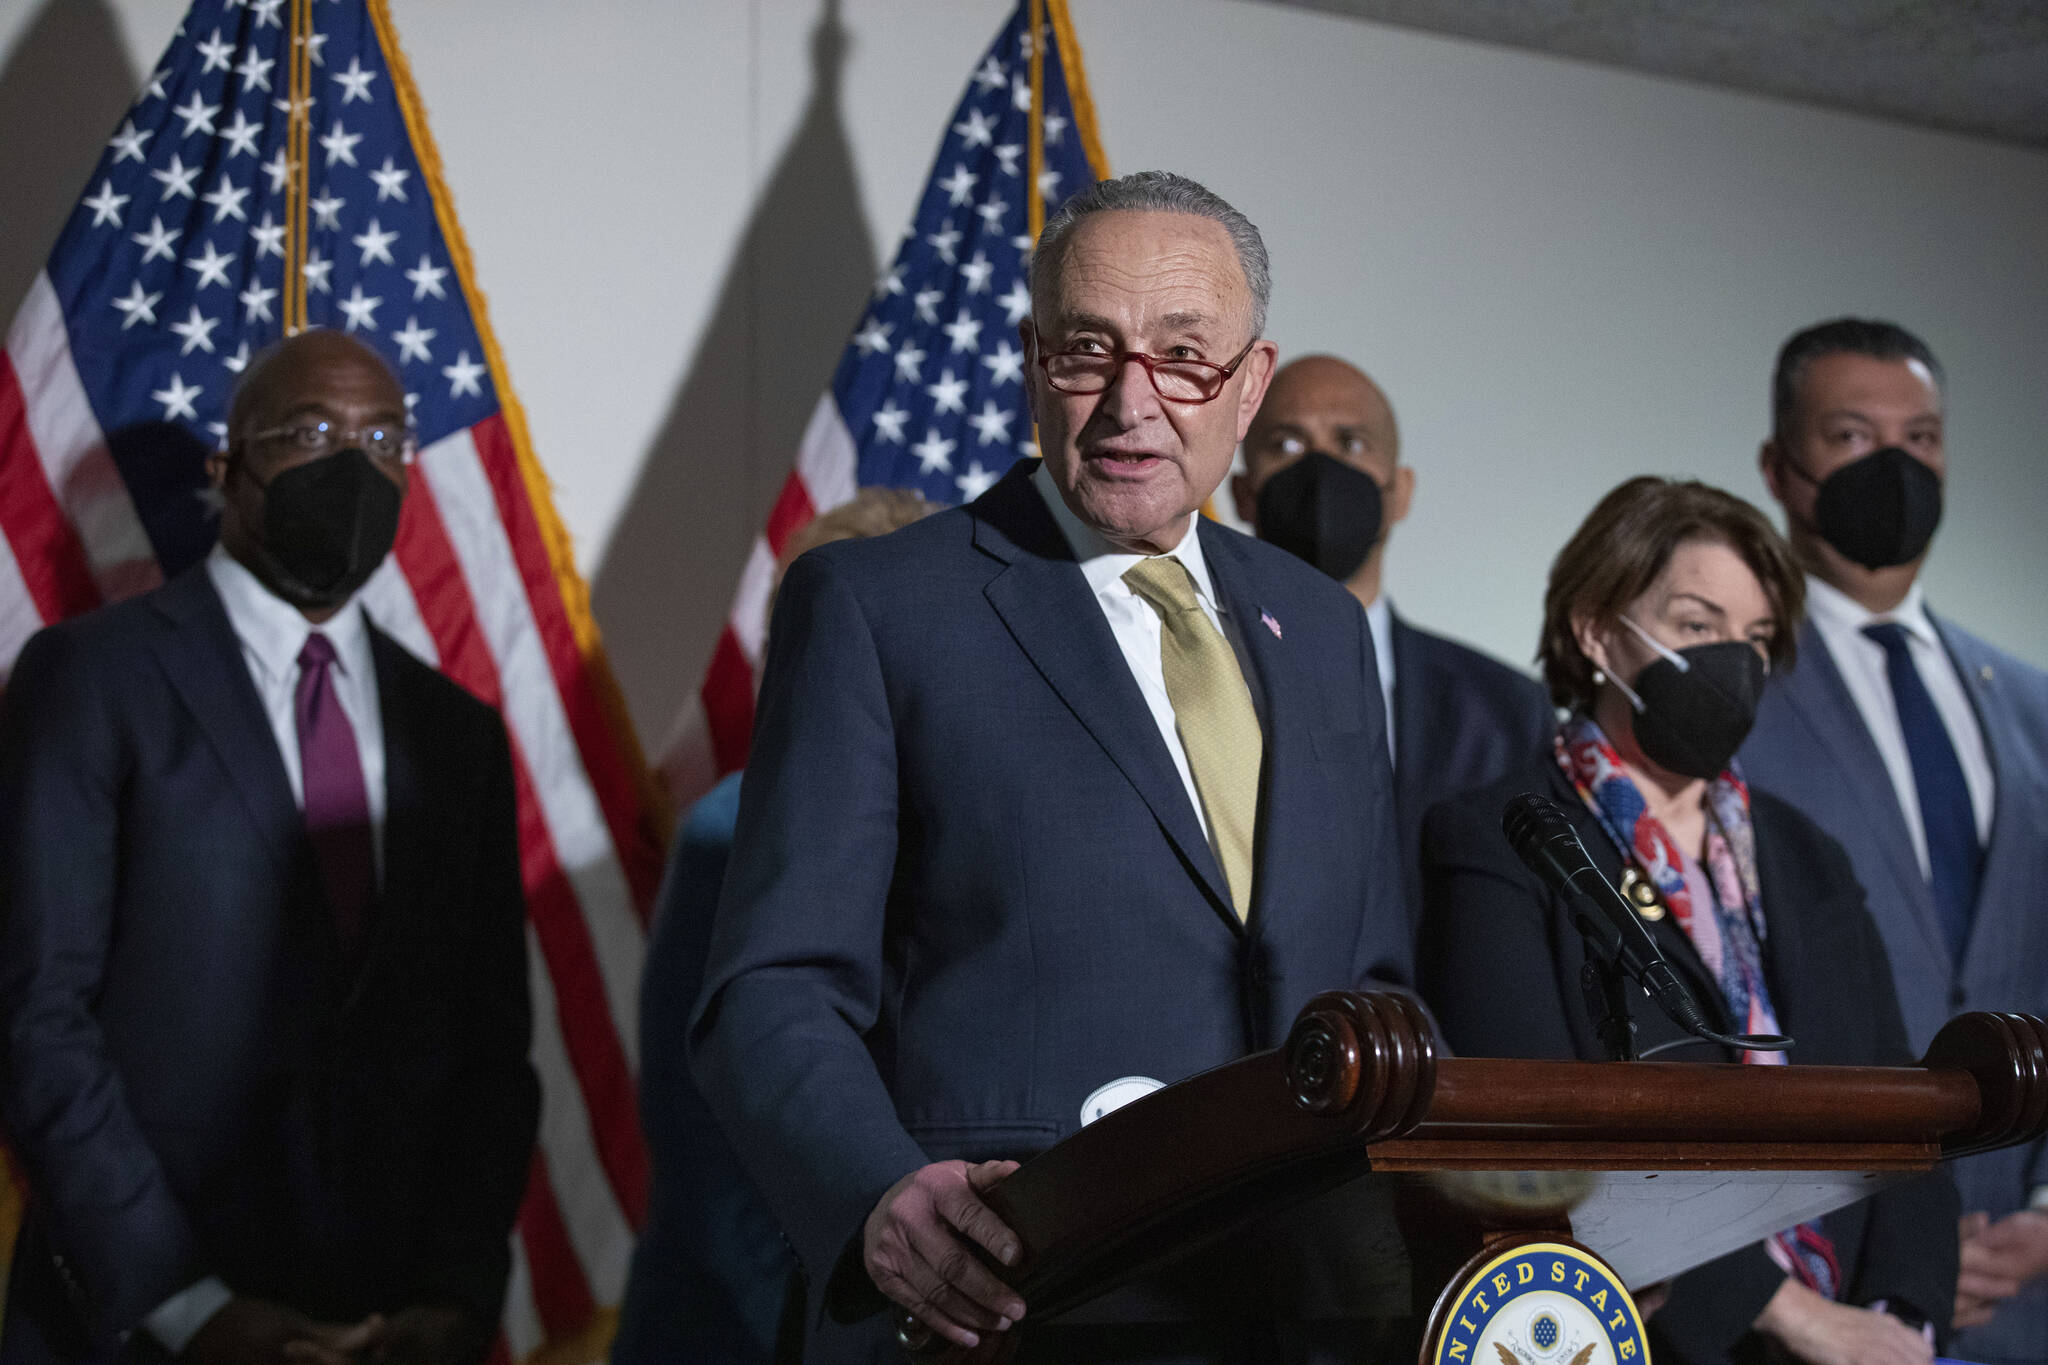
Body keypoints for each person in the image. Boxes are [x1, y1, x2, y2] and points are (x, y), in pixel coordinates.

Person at [689, 170, 1411, 1363]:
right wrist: (877, 1199)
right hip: (1008, 1302)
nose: (1133, 404)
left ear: (1250, 384)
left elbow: (1371, 972)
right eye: (1088, 351)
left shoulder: (1319, 625)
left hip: (1301, 1306)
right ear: (1032, 360)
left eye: (1184, 357)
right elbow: (770, 989)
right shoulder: (877, 605)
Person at [0, 330, 539, 1365]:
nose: (354, 460)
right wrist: (190, 1309)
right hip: (141, 1328)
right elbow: (36, 1017)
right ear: (226, 469)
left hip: (387, 1331)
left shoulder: (456, 734)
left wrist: (453, 1303)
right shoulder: (91, 680)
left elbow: (491, 1056)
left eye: (385, 436)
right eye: (312, 429)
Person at [1420, 476, 1958, 1365]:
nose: (1733, 662)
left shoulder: (1805, 853)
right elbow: (1542, 1137)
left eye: (1753, 637)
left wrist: (1903, 1314)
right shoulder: (1500, 839)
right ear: (1597, 631)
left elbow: (1901, 1104)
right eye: (1698, 625)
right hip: (1659, 1335)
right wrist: (1790, 1317)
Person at [1739, 319, 2048, 1364]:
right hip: (1831, 1286)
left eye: (1918, 438)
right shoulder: (1722, 699)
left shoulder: (2029, 704)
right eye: (1850, 434)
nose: (1893, 464)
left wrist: (2042, 1218)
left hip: (2025, 1288)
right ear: (1779, 467)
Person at [613, 488, 940, 1365]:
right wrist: (835, 1335)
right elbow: (701, 1139)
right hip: (742, 1331)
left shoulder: (982, 832)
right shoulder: (727, 831)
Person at [1230, 354, 1552, 924]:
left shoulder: (1508, 714)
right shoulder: (1189, 680)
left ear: (1399, 492)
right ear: (1244, 494)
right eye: (1286, 445)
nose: (1322, 469)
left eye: (1352, 444)